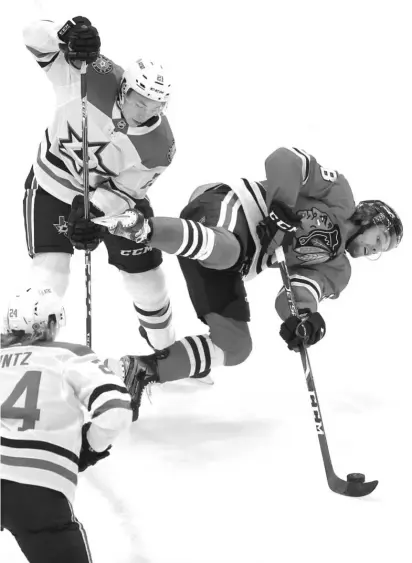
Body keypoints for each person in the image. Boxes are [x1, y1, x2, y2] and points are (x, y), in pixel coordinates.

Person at [92, 146, 403, 411]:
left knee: (236, 347)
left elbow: (296, 295)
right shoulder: (340, 195)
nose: (377, 248)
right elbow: (284, 159)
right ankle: (141, 228)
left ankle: (141, 369)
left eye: (383, 250)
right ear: (370, 217)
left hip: (229, 257)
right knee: (228, 249)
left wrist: (304, 319)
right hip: (234, 208)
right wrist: (281, 205)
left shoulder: (338, 271)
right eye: (382, 238)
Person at [22, 16, 177, 351]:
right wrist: (65, 32)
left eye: (155, 105)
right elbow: (33, 37)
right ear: (125, 87)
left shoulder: (160, 146)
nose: (144, 110)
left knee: (147, 280)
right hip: (53, 184)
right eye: (139, 99)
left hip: (110, 200)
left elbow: (127, 190)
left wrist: (93, 211)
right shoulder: (93, 73)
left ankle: (167, 352)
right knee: (50, 271)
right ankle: (30, 354)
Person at [0, 286, 135, 562]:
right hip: (37, 487)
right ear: (52, 323)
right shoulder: (69, 355)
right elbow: (116, 411)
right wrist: (88, 446)